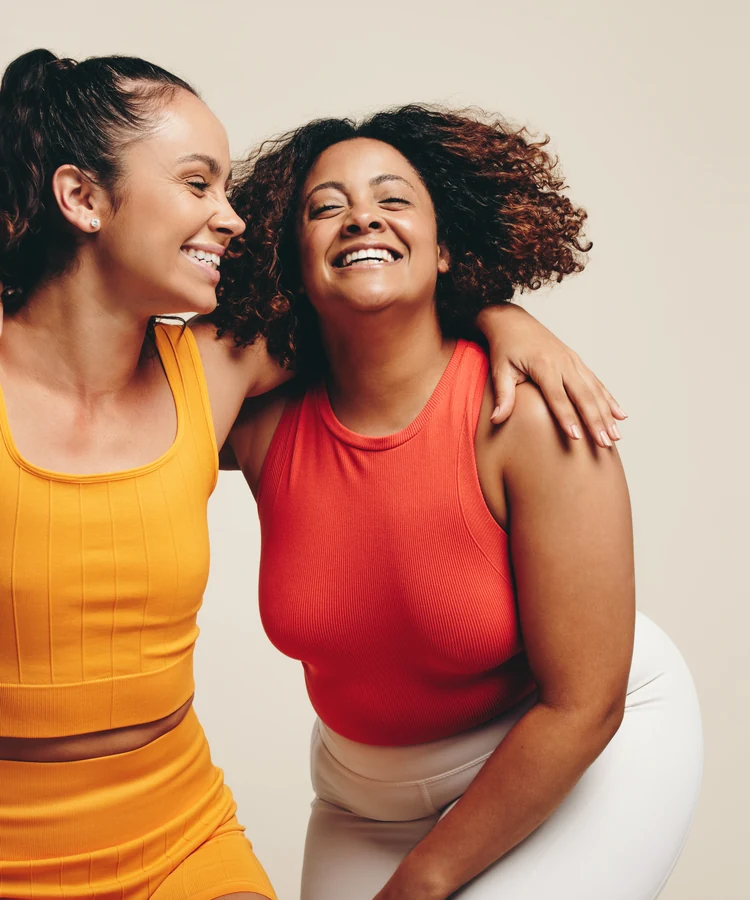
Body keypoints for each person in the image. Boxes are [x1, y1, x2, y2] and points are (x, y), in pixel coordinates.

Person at [0, 53, 622, 900]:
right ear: (82, 199)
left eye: (227, 189)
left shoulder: (218, 370)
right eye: (196, 183)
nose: (233, 218)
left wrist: (501, 316)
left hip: (178, 838)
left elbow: (378, 298)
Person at [221, 107, 704, 900]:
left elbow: (585, 704)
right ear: (292, 257)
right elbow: (106, 381)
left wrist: (425, 881)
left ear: (443, 248)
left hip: (575, 745)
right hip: (361, 798)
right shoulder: (258, 423)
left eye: (393, 198)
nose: (362, 216)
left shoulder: (530, 414)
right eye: (326, 206)